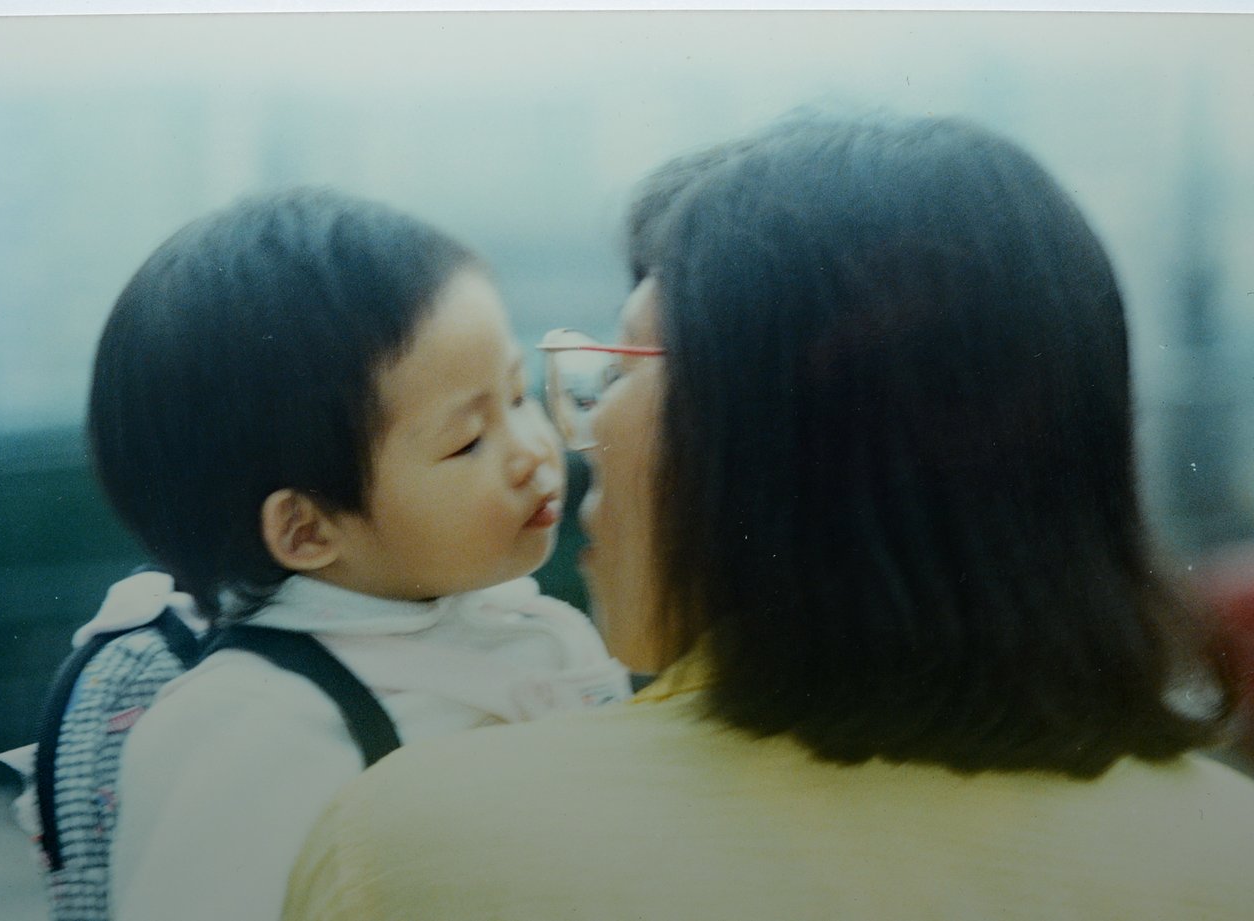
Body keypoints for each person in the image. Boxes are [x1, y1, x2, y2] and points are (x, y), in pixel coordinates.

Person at [282, 114, 1254, 921]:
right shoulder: (1226, 858)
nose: (573, 438)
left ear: (769, 436)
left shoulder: (411, 848)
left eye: (626, 364)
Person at [86, 188, 629, 921]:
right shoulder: (251, 731)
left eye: (517, 394)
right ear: (307, 531)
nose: (534, 450)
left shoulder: (517, 623)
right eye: (468, 440)